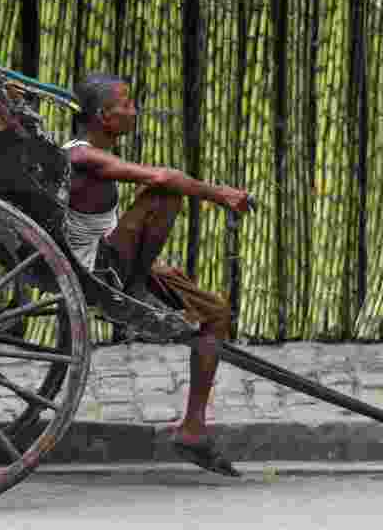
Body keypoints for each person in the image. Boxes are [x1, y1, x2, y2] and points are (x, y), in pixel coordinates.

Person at [63, 72, 253, 477]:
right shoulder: (80, 156)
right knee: (165, 191)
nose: (134, 111)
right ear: (103, 117)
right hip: (101, 271)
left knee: (216, 313)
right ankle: (136, 285)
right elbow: (162, 178)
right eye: (126, 104)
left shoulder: (94, 155)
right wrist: (220, 194)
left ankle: (193, 429)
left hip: (115, 262)